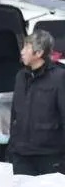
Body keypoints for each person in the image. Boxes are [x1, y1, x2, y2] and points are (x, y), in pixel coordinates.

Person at [10, 30, 65, 176]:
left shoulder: (59, 77)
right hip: (21, 154)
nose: (22, 52)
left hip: (49, 155)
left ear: (39, 53)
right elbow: (14, 114)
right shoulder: (21, 76)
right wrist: (12, 147)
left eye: (26, 48)